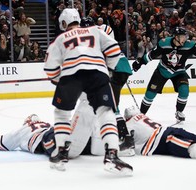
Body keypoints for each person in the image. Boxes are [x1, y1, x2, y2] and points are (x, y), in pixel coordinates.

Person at [43, 8, 133, 175]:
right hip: (97, 74)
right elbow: (114, 49)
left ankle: (61, 153)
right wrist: (108, 68)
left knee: (62, 114)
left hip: (71, 75)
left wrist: (57, 79)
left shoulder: (60, 38)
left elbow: (49, 67)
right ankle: (112, 155)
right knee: (105, 112)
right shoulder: (95, 31)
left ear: (64, 23)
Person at [132, 26, 196, 122]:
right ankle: (141, 114)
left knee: (184, 90)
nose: (185, 38)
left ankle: (179, 112)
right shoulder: (164, 43)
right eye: (183, 36)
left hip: (179, 72)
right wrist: (140, 62)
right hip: (162, 71)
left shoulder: (190, 45)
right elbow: (151, 55)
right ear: (176, 37)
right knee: (150, 94)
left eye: (185, 36)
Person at [0, 114, 135, 159]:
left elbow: (0, 144)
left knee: (66, 145)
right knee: (83, 144)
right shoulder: (43, 124)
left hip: (47, 138)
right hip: (57, 131)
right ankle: (117, 145)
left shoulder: (23, 131)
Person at [80, 17, 133, 140]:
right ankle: (115, 130)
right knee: (110, 101)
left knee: (109, 103)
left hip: (115, 68)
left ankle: (124, 136)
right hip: (123, 67)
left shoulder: (88, 38)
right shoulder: (103, 29)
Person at [124, 106, 196, 159]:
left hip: (161, 139)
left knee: (192, 149)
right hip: (169, 130)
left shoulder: (128, 125)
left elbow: (127, 147)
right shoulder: (142, 116)